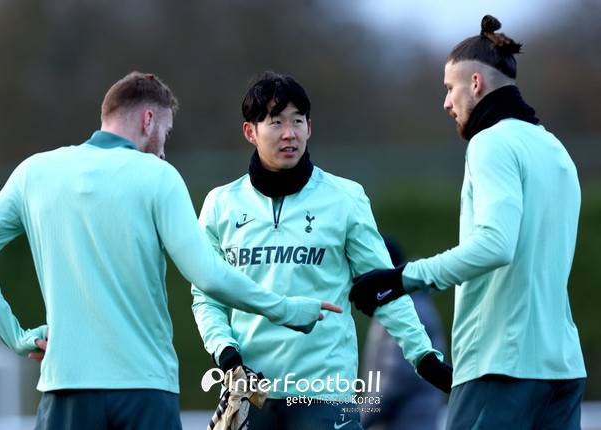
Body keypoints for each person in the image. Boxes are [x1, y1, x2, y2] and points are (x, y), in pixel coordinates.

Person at [0, 71, 341, 430]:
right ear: (148, 121)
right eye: (166, 134)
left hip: (65, 389)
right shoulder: (159, 176)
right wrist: (287, 309)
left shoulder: (34, 173)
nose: (163, 150)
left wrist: (17, 336)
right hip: (146, 391)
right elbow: (208, 275)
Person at [350, 15, 586, 430]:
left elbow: (496, 244)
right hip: (564, 369)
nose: (446, 102)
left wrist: (404, 277)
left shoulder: (489, 142)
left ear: (475, 83)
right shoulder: (555, 149)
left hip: (501, 366)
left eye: (449, 88)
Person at [191, 72, 452, 430]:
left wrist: (424, 357)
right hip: (249, 393)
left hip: (326, 394)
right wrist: (225, 352)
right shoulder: (220, 204)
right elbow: (206, 296)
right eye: (276, 122)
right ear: (250, 132)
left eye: (298, 121)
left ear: (309, 128)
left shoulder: (345, 198)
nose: (289, 133)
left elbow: (384, 289)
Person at [360, 238, 446, 430]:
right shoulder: (399, 304)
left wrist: (357, 419)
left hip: (411, 422)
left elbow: (394, 380)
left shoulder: (406, 311)